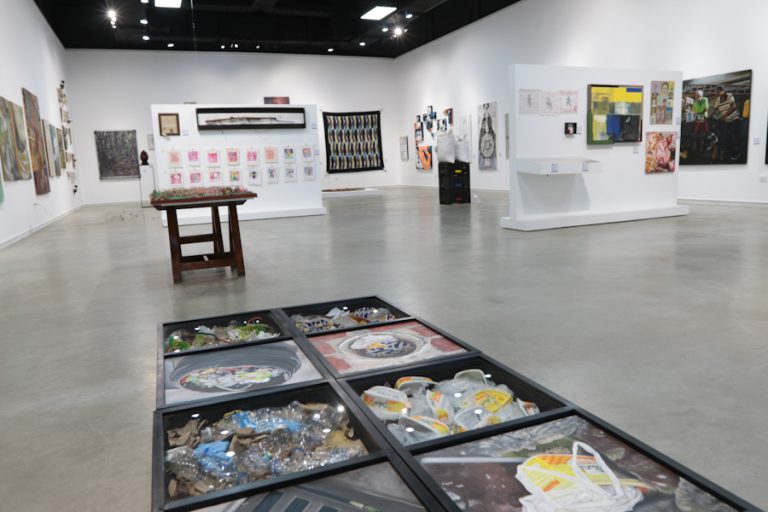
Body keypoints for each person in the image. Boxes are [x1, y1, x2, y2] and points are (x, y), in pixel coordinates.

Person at [712, 85, 741, 161]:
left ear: (723, 91)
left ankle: (737, 153)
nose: (716, 93)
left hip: (734, 119)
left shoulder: (729, 95)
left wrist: (724, 115)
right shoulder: (718, 99)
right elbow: (715, 109)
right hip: (726, 120)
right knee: (724, 136)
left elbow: (733, 106)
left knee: (733, 136)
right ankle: (727, 152)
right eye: (716, 92)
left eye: (718, 91)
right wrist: (709, 116)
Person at [692, 90, 709, 156]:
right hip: (697, 121)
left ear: (700, 96)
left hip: (704, 120)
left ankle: (701, 148)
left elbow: (706, 108)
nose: (696, 97)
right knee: (695, 134)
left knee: (703, 135)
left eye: (697, 96)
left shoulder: (705, 99)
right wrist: (695, 115)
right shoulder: (695, 101)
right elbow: (694, 110)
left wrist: (700, 114)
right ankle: (694, 148)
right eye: (696, 96)